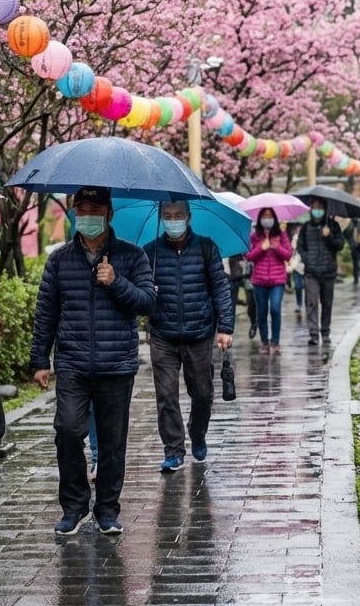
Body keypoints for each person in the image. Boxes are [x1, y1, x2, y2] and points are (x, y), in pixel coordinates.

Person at [30, 186, 156, 537]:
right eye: (80, 208)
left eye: (94, 208)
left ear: (108, 213)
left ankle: (107, 510)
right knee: (68, 431)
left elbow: (147, 303)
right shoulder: (59, 260)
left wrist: (116, 282)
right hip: (72, 363)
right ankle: (74, 506)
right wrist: (40, 358)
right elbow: (46, 312)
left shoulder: (132, 257)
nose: (86, 214)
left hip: (116, 363)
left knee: (113, 443)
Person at [142, 199, 235, 470]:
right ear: (161, 218)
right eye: (168, 215)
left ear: (188, 217)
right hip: (163, 333)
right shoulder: (151, 252)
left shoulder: (206, 247)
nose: (173, 220)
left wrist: (225, 328)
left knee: (203, 393)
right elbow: (139, 291)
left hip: (200, 332)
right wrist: (149, 293)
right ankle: (173, 448)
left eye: (178, 215)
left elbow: (220, 288)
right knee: (167, 394)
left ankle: (197, 432)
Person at [245, 207, 292, 354]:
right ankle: (265, 342)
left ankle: (275, 341)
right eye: (264, 216)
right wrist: (261, 248)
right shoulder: (254, 237)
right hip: (259, 280)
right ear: (260, 219)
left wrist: (276, 247)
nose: (267, 219)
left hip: (278, 280)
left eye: (270, 216)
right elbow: (249, 256)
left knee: (275, 309)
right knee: (262, 312)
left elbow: (288, 254)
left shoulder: (281, 234)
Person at [296, 202, 344, 346]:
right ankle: (314, 334)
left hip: (328, 272)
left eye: (320, 208)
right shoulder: (306, 227)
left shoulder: (333, 226)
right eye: (314, 208)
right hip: (311, 272)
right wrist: (307, 260)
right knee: (311, 302)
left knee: (327, 303)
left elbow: (340, 245)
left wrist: (329, 236)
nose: (317, 211)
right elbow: (301, 246)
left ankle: (325, 332)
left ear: (325, 209)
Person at [344, 218, 360, 286]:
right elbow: (346, 234)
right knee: (355, 264)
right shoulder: (350, 224)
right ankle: (356, 279)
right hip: (354, 246)